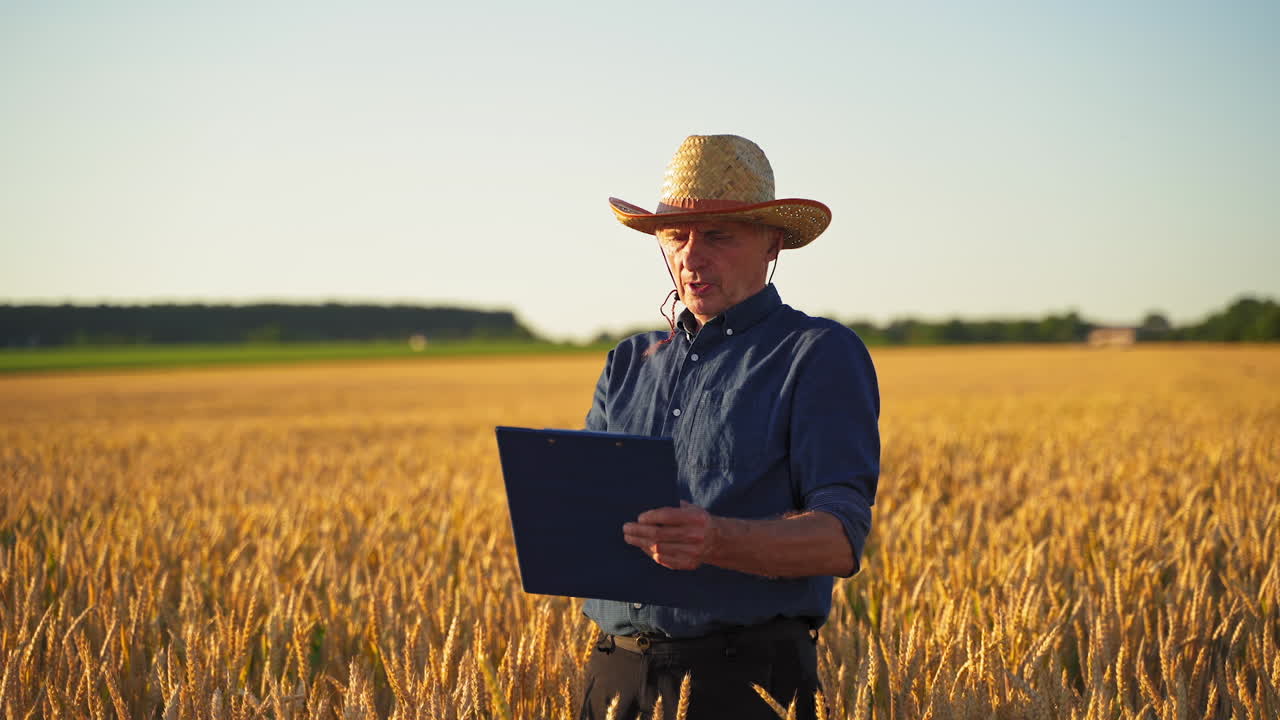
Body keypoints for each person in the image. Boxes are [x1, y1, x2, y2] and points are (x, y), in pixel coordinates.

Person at [578, 135, 880, 720]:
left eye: (718, 235)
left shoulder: (817, 354)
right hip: (613, 679)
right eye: (676, 235)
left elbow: (840, 539)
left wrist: (716, 540)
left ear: (772, 243)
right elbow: (589, 511)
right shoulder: (626, 363)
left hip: (746, 684)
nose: (692, 255)